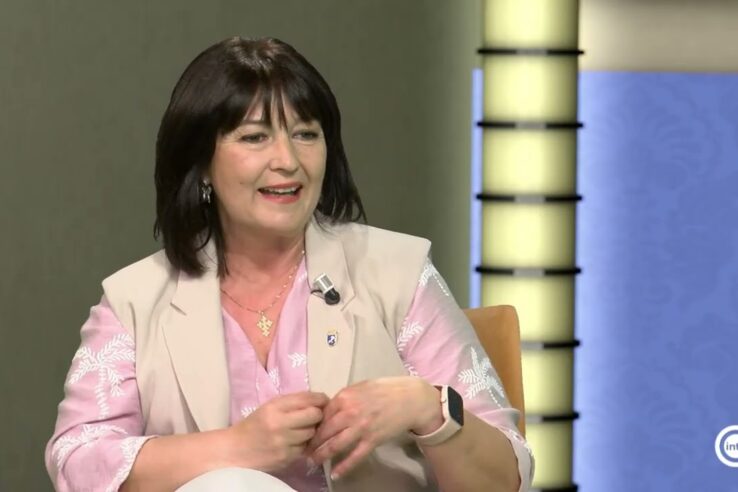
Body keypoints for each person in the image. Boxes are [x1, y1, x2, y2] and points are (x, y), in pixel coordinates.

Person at [45, 37, 533, 492]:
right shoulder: (135, 302)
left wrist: (429, 409)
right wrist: (237, 448)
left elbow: (508, 477)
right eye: (255, 137)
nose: (288, 160)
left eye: (305, 134)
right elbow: (76, 459)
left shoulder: (397, 273)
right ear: (202, 163)